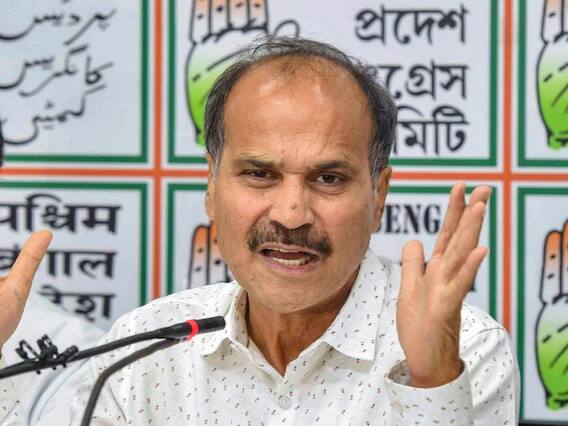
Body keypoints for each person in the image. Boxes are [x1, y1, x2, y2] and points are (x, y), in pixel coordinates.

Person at [0, 36, 519, 425]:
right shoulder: (147, 346)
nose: (291, 215)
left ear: (378, 195)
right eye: (259, 174)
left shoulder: (465, 350)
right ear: (211, 187)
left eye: (328, 178)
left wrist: (431, 384)